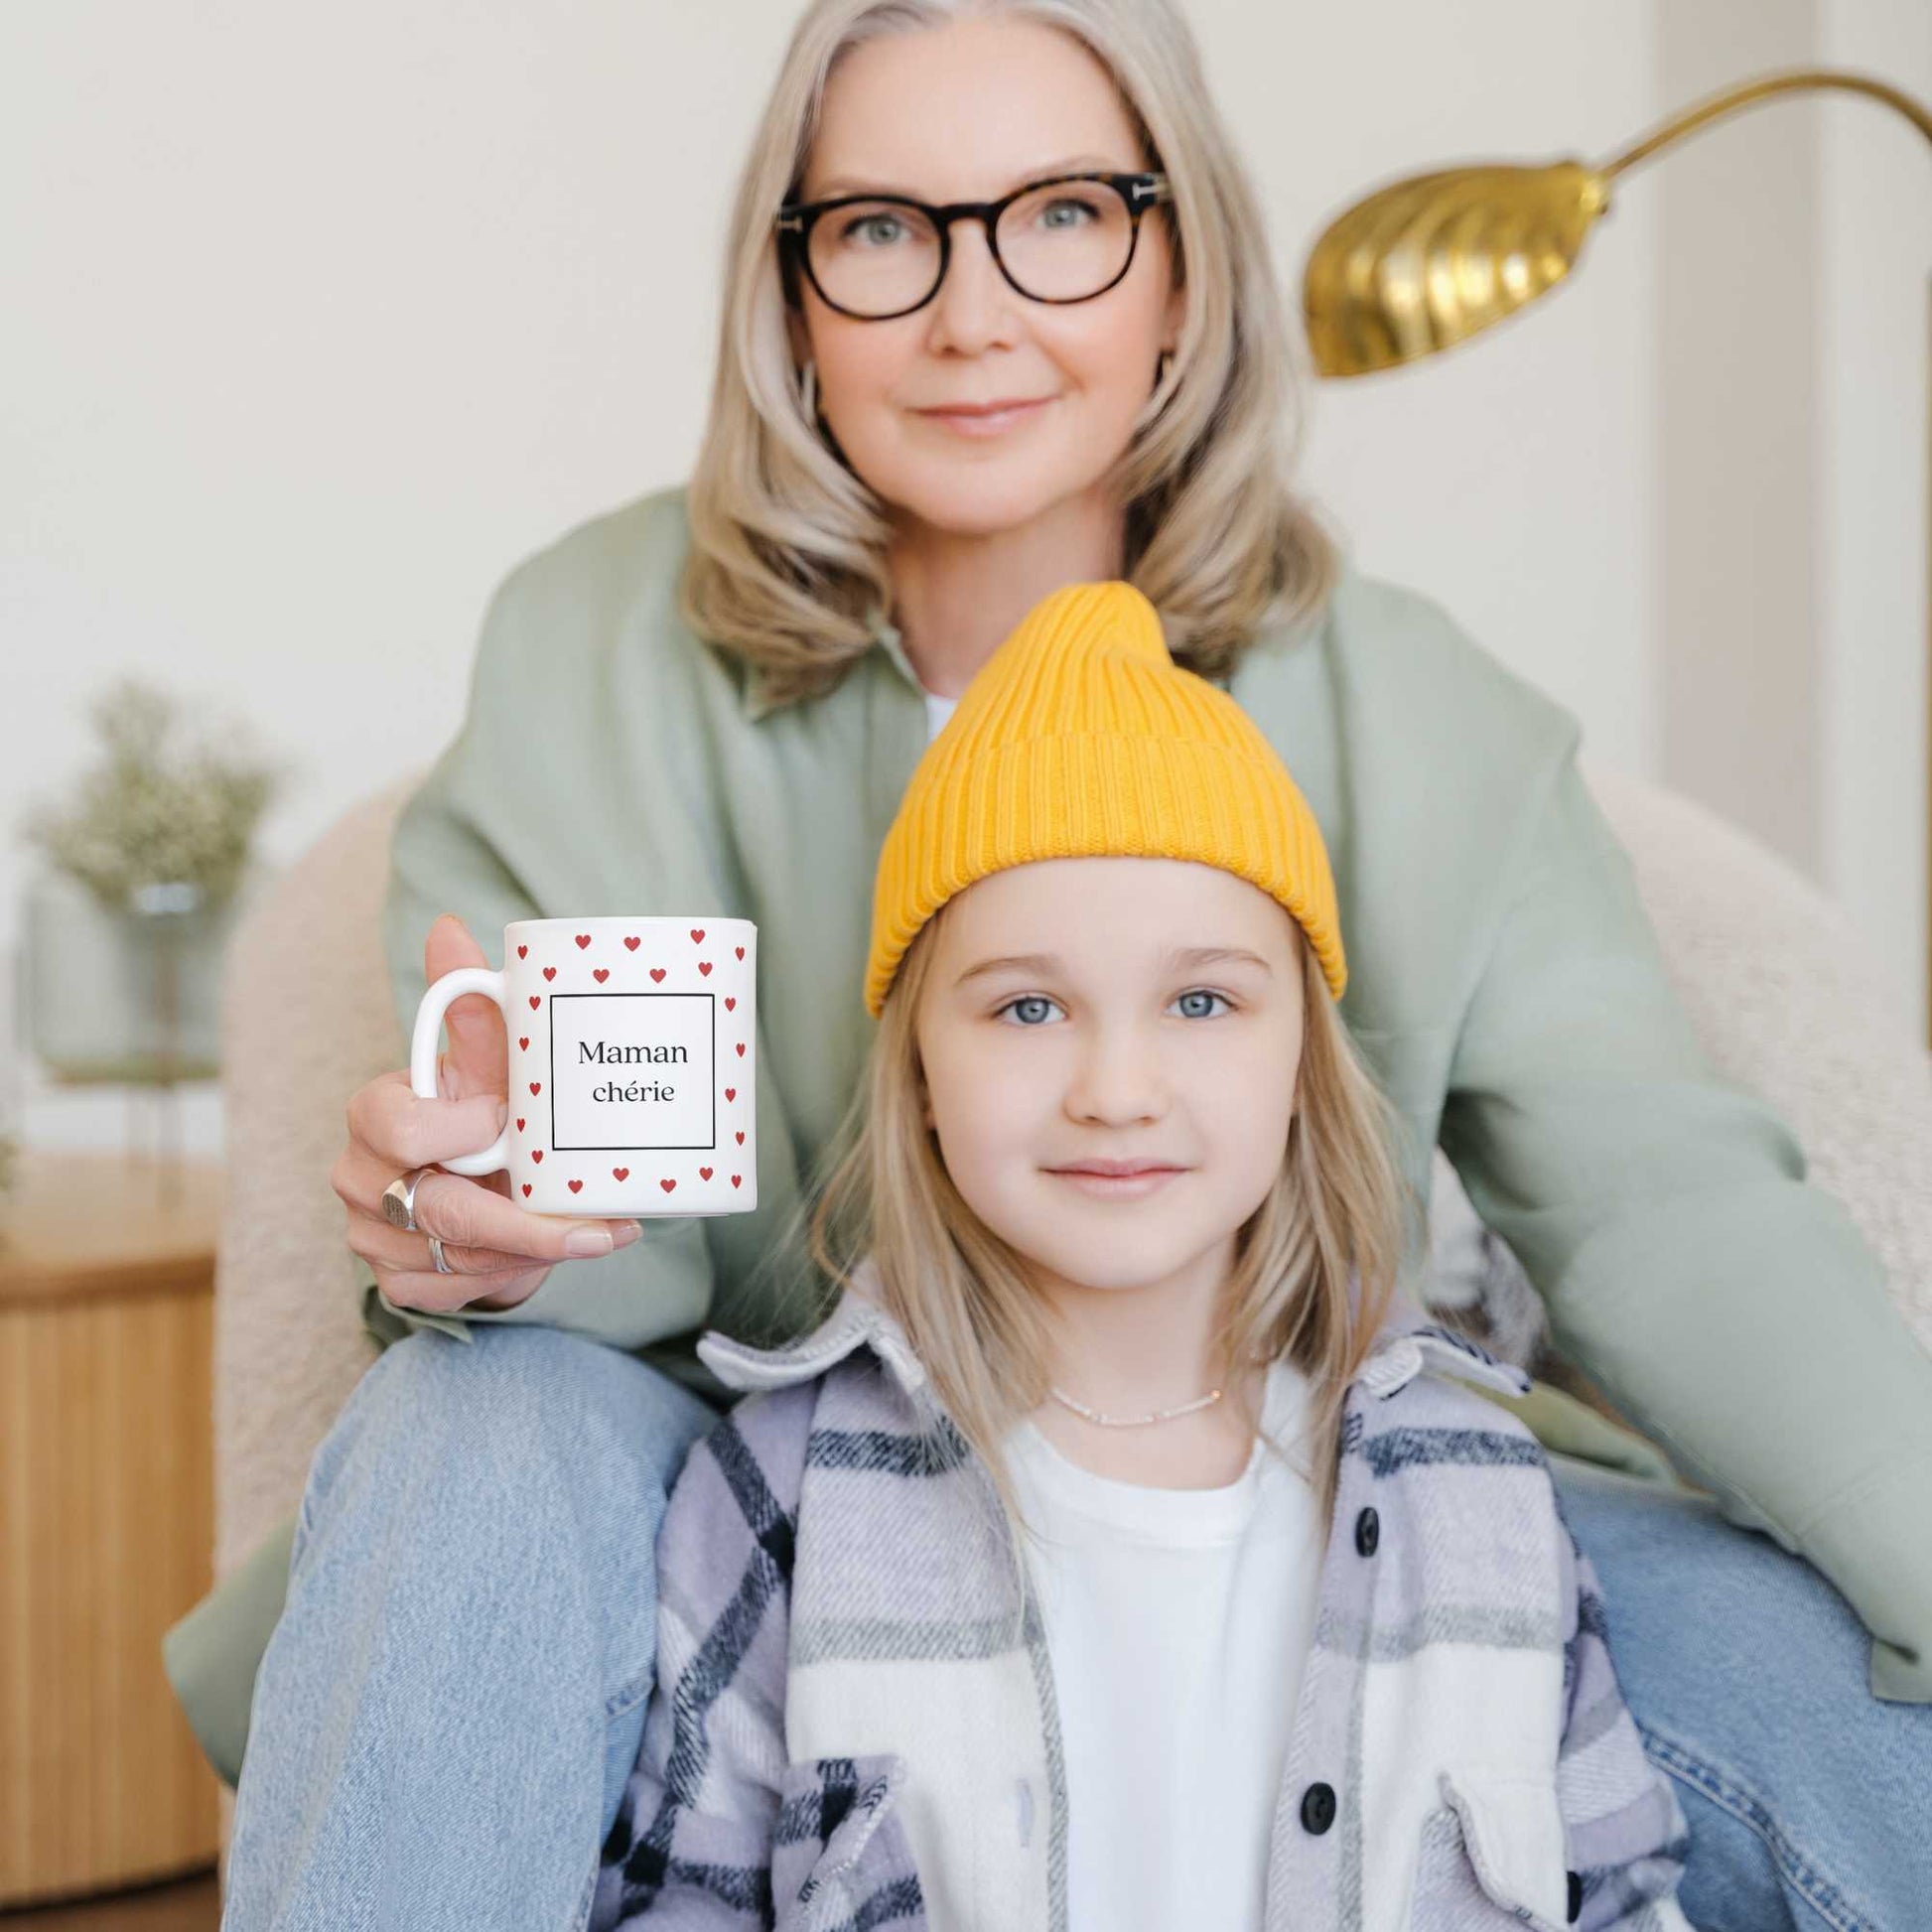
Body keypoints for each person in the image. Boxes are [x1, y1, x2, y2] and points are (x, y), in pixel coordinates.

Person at [192, 3, 1932, 1927]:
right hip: (739, 1500)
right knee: (476, 1422)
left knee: (1842, 1694)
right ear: (789, 297)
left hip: (1296, 1477)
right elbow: (633, 1232)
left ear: (1181, 267)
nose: (971, 311)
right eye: (878, 229)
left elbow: (1668, 1208)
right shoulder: (601, 647)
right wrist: (494, 1223)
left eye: (1066, 216)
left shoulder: (1419, 707)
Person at [589, 579, 1697, 1932]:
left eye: (1200, 998)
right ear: (924, 1072)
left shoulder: (1479, 1485)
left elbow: (1621, 1894)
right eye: (1028, 1004)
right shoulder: (779, 1489)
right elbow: (677, 1900)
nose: (1117, 1087)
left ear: (1298, 1054)